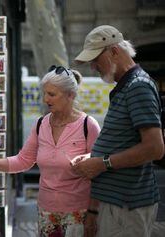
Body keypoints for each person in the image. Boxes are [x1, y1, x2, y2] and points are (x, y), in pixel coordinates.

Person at [0, 66, 101, 236]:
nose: (45, 99)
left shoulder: (88, 126)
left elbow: (99, 172)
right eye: (44, 93)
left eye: (51, 94)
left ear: (70, 95)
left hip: (79, 213)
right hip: (46, 213)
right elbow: (22, 161)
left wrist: (94, 212)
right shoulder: (40, 124)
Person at [72, 25, 164, 237]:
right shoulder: (126, 86)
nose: (93, 67)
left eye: (95, 59)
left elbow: (155, 148)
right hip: (117, 205)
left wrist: (102, 163)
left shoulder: (138, 86)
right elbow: (120, 143)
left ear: (114, 51)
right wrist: (93, 159)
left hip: (127, 206)